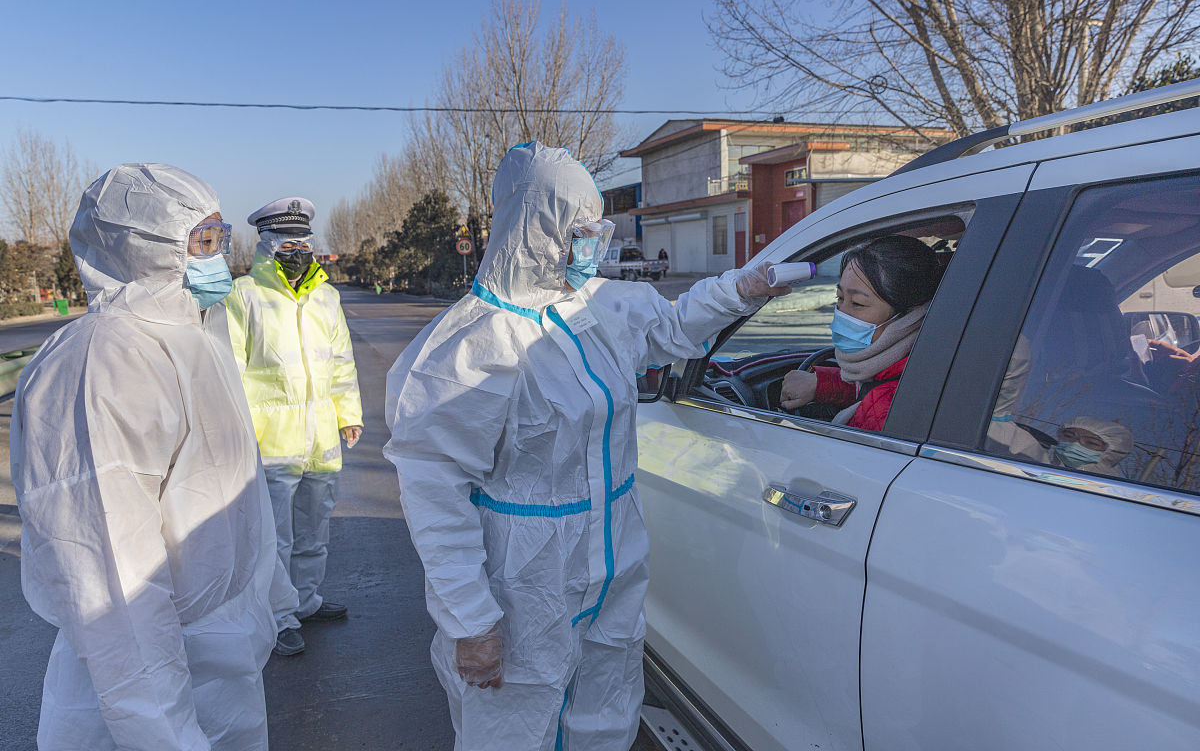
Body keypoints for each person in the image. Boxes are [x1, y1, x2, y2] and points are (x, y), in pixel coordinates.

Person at [383, 142, 788, 751]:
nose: (591, 245)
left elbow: (672, 329)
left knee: (607, 714)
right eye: (579, 232)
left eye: (596, 229)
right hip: (523, 583)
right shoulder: (471, 347)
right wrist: (470, 619)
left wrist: (740, 288)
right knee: (512, 726)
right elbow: (434, 489)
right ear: (535, 230)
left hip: (613, 563)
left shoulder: (598, 305)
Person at [11, 164, 285, 750]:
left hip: (222, 661)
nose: (215, 258)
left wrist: (271, 598)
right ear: (143, 252)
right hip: (140, 699)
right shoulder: (102, 362)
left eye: (219, 238)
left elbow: (236, 494)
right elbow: (111, 582)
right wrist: (167, 735)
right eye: (200, 242)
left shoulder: (194, 336)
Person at [226, 197, 363, 657]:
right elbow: (231, 368)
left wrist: (349, 413)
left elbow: (340, 360)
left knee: (314, 528)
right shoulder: (244, 295)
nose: (298, 250)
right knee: (276, 537)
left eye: (304, 242)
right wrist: (236, 431)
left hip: (321, 436)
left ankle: (306, 602)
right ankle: (278, 616)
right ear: (266, 244)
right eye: (288, 242)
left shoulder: (327, 296)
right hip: (271, 440)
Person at [779, 234, 942, 430]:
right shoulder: (930, 363)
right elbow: (874, 389)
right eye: (839, 298)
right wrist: (822, 385)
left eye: (857, 303)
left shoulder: (889, 409)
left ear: (910, 314)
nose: (842, 314)